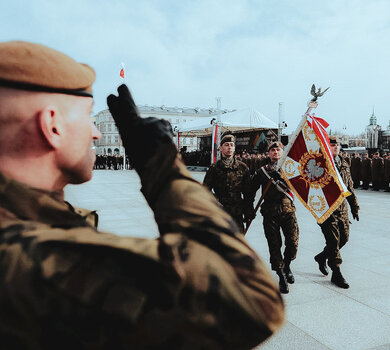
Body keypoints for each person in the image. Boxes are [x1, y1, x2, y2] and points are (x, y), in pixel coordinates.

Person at [0, 41, 284, 349]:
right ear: (52, 125)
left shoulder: (29, 217)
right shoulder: (24, 256)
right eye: (86, 117)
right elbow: (249, 297)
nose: (95, 132)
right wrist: (162, 166)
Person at [250, 141, 299, 294]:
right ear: (268, 153)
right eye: (273, 150)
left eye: (279, 150)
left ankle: (287, 266)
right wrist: (249, 208)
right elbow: (251, 190)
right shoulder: (262, 171)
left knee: (293, 242)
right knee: (274, 245)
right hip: (270, 212)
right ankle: (281, 275)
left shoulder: (291, 168)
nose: (276, 152)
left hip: (288, 211)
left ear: (283, 152)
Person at [314, 136, 359, 289]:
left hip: (342, 209)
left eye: (337, 145)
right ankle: (336, 272)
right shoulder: (320, 163)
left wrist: (354, 206)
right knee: (333, 242)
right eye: (332, 145)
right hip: (327, 209)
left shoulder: (344, 162)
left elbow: (349, 185)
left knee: (344, 239)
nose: (336, 147)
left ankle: (322, 257)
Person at [203, 134, 256, 233]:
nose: (229, 147)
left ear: (234, 148)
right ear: (220, 148)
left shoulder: (243, 167)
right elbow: (205, 191)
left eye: (232, 145)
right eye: (226, 144)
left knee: (238, 244)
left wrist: (249, 210)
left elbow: (248, 192)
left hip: (237, 213)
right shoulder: (214, 168)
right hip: (219, 212)